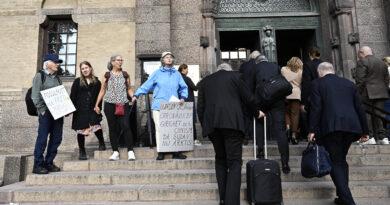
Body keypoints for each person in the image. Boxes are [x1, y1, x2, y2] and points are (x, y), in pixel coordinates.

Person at [197, 63, 262, 205]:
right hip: (232, 124)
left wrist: (205, 126)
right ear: (229, 70)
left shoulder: (205, 81)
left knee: (220, 160)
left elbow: (200, 107)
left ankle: (222, 199)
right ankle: (231, 201)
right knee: (234, 162)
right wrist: (257, 112)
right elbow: (249, 98)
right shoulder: (236, 77)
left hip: (213, 127)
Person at [307, 62, 369, 205]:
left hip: (331, 127)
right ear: (333, 71)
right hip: (351, 127)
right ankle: (342, 197)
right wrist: (365, 130)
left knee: (335, 162)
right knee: (341, 161)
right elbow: (360, 107)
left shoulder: (317, 84)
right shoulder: (349, 84)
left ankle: (348, 201)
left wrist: (312, 130)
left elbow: (316, 108)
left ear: (320, 73)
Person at [132, 52, 188, 160]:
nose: (169, 59)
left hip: (172, 104)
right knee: (160, 129)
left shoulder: (177, 74)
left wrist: (183, 97)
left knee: (174, 129)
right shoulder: (157, 73)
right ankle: (161, 151)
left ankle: (176, 151)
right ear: (163, 60)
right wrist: (137, 94)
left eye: (171, 57)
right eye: (167, 57)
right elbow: (147, 85)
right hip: (158, 105)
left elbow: (183, 87)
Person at [95, 55, 136, 161]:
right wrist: (96, 105)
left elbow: (129, 89)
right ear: (112, 62)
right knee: (112, 128)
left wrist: (133, 96)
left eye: (121, 60)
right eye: (118, 60)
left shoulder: (125, 75)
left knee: (126, 126)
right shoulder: (107, 75)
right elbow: (102, 90)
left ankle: (130, 151)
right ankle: (115, 152)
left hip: (123, 104)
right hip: (109, 104)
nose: (120, 62)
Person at [254, 55, 290, 174]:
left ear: (257, 62)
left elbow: (251, 85)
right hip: (277, 99)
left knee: (259, 122)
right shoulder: (275, 66)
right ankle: (285, 162)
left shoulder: (256, 68)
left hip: (262, 99)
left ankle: (260, 150)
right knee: (280, 129)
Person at [31, 54, 64, 174]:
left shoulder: (57, 78)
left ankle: (49, 162)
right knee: (42, 138)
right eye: (55, 62)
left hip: (58, 112)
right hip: (46, 113)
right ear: (47, 63)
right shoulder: (40, 76)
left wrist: (65, 108)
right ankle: (38, 165)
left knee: (56, 138)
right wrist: (42, 109)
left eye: (58, 62)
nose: (57, 64)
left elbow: (60, 95)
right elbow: (35, 95)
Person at [70, 61, 105, 160]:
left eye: (86, 67)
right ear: (81, 71)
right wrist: (69, 110)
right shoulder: (77, 81)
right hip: (80, 110)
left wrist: (99, 107)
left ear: (90, 68)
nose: (85, 70)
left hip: (92, 108)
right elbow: (72, 96)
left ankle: (101, 142)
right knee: (80, 131)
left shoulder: (97, 82)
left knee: (96, 126)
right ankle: (82, 151)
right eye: (82, 69)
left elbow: (100, 97)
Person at [356, 46, 389, 145]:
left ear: (362, 53)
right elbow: (386, 79)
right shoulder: (382, 62)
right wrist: (384, 89)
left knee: (367, 115)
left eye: (359, 54)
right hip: (381, 92)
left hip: (367, 93)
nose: (359, 57)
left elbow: (360, 80)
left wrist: (358, 92)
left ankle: (370, 137)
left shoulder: (362, 62)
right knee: (380, 115)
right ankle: (383, 137)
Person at [239, 50, 261, 144]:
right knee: (258, 115)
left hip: (244, 94)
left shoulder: (243, 66)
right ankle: (258, 138)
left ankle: (246, 134)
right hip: (256, 94)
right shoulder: (259, 65)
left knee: (246, 115)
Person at [281, 57, 303, 144]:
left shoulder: (283, 69)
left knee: (286, 112)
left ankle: (287, 128)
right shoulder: (301, 71)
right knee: (295, 114)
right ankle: (294, 135)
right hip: (296, 93)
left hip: (285, 93)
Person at [178, 63, 201, 146]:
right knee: (191, 121)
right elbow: (195, 88)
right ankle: (194, 139)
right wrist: (199, 82)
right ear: (183, 69)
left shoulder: (177, 78)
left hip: (180, 102)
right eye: (186, 69)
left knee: (182, 121)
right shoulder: (186, 78)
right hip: (188, 101)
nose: (187, 71)